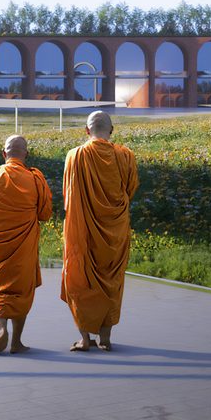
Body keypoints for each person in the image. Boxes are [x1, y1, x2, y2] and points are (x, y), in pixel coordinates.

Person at [61, 111, 139, 352]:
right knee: (112, 279)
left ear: (86, 130)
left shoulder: (75, 156)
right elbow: (131, 188)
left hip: (82, 228)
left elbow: (67, 195)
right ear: (112, 130)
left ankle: (85, 339)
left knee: (80, 277)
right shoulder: (125, 156)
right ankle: (105, 337)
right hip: (115, 230)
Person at [0, 135, 52, 355]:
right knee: (21, 291)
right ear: (26, 154)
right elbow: (45, 213)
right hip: (24, 246)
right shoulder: (35, 179)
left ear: (3, 153)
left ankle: (1, 329)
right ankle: (16, 341)